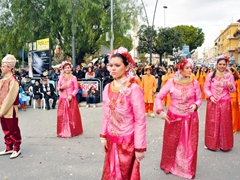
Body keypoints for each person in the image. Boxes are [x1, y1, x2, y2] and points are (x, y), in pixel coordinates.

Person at [100, 47, 146, 179]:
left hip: (127, 143)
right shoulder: (107, 87)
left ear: (127, 67)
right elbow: (106, 114)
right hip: (111, 138)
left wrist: (139, 147)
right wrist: (103, 136)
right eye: (111, 65)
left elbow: (140, 119)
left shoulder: (133, 89)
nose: (112, 69)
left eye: (117, 65)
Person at [155, 58, 202, 179]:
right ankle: (169, 164)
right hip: (173, 117)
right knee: (172, 143)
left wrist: (195, 105)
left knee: (188, 145)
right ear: (180, 68)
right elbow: (159, 97)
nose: (190, 70)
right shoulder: (171, 82)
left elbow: (199, 99)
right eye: (187, 67)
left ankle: (186, 168)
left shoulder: (194, 82)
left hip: (190, 118)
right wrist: (160, 111)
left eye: (191, 67)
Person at [204, 55, 236, 151]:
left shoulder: (229, 76)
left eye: (224, 64)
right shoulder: (211, 75)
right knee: (212, 123)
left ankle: (225, 145)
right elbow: (206, 88)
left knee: (225, 124)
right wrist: (210, 96)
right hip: (213, 102)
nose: (222, 66)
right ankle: (211, 144)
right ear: (216, 65)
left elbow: (233, 90)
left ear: (226, 65)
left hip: (225, 102)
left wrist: (230, 86)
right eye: (220, 64)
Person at [0, 54, 22, 159]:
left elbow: (10, 98)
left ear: (10, 67)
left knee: (13, 129)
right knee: (5, 129)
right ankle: (9, 147)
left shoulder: (13, 81)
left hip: (10, 110)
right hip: (2, 109)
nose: (1, 68)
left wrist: (2, 111)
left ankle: (16, 147)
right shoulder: (2, 80)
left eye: (3, 66)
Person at [57, 61, 83, 137]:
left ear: (71, 68)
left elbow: (76, 89)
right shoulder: (61, 78)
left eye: (68, 67)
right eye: (66, 68)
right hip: (62, 98)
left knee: (71, 115)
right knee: (61, 115)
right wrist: (61, 87)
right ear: (63, 69)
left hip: (70, 99)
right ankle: (62, 131)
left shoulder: (73, 78)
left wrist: (71, 95)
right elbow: (58, 87)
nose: (67, 69)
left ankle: (72, 131)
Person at [230, 67, 240, 133]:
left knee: (234, 114)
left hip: (234, 100)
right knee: (229, 114)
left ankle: (234, 127)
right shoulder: (228, 79)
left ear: (233, 72)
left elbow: (239, 91)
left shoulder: (238, 80)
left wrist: (239, 100)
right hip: (228, 99)